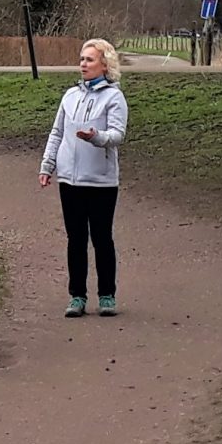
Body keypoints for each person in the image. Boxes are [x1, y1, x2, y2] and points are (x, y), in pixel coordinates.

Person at [39, 38, 129, 317]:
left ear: (105, 64)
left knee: (102, 238)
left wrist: (96, 137)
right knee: (75, 239)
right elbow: (57, 133)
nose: (83, 64)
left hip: (101, 181)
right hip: (70, 180)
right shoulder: (70, 96)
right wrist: (47, 165)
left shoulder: (114, 97)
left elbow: (117, 135)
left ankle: (107, 296)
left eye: (89, 60)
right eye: (81, 59)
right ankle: (77, 296)